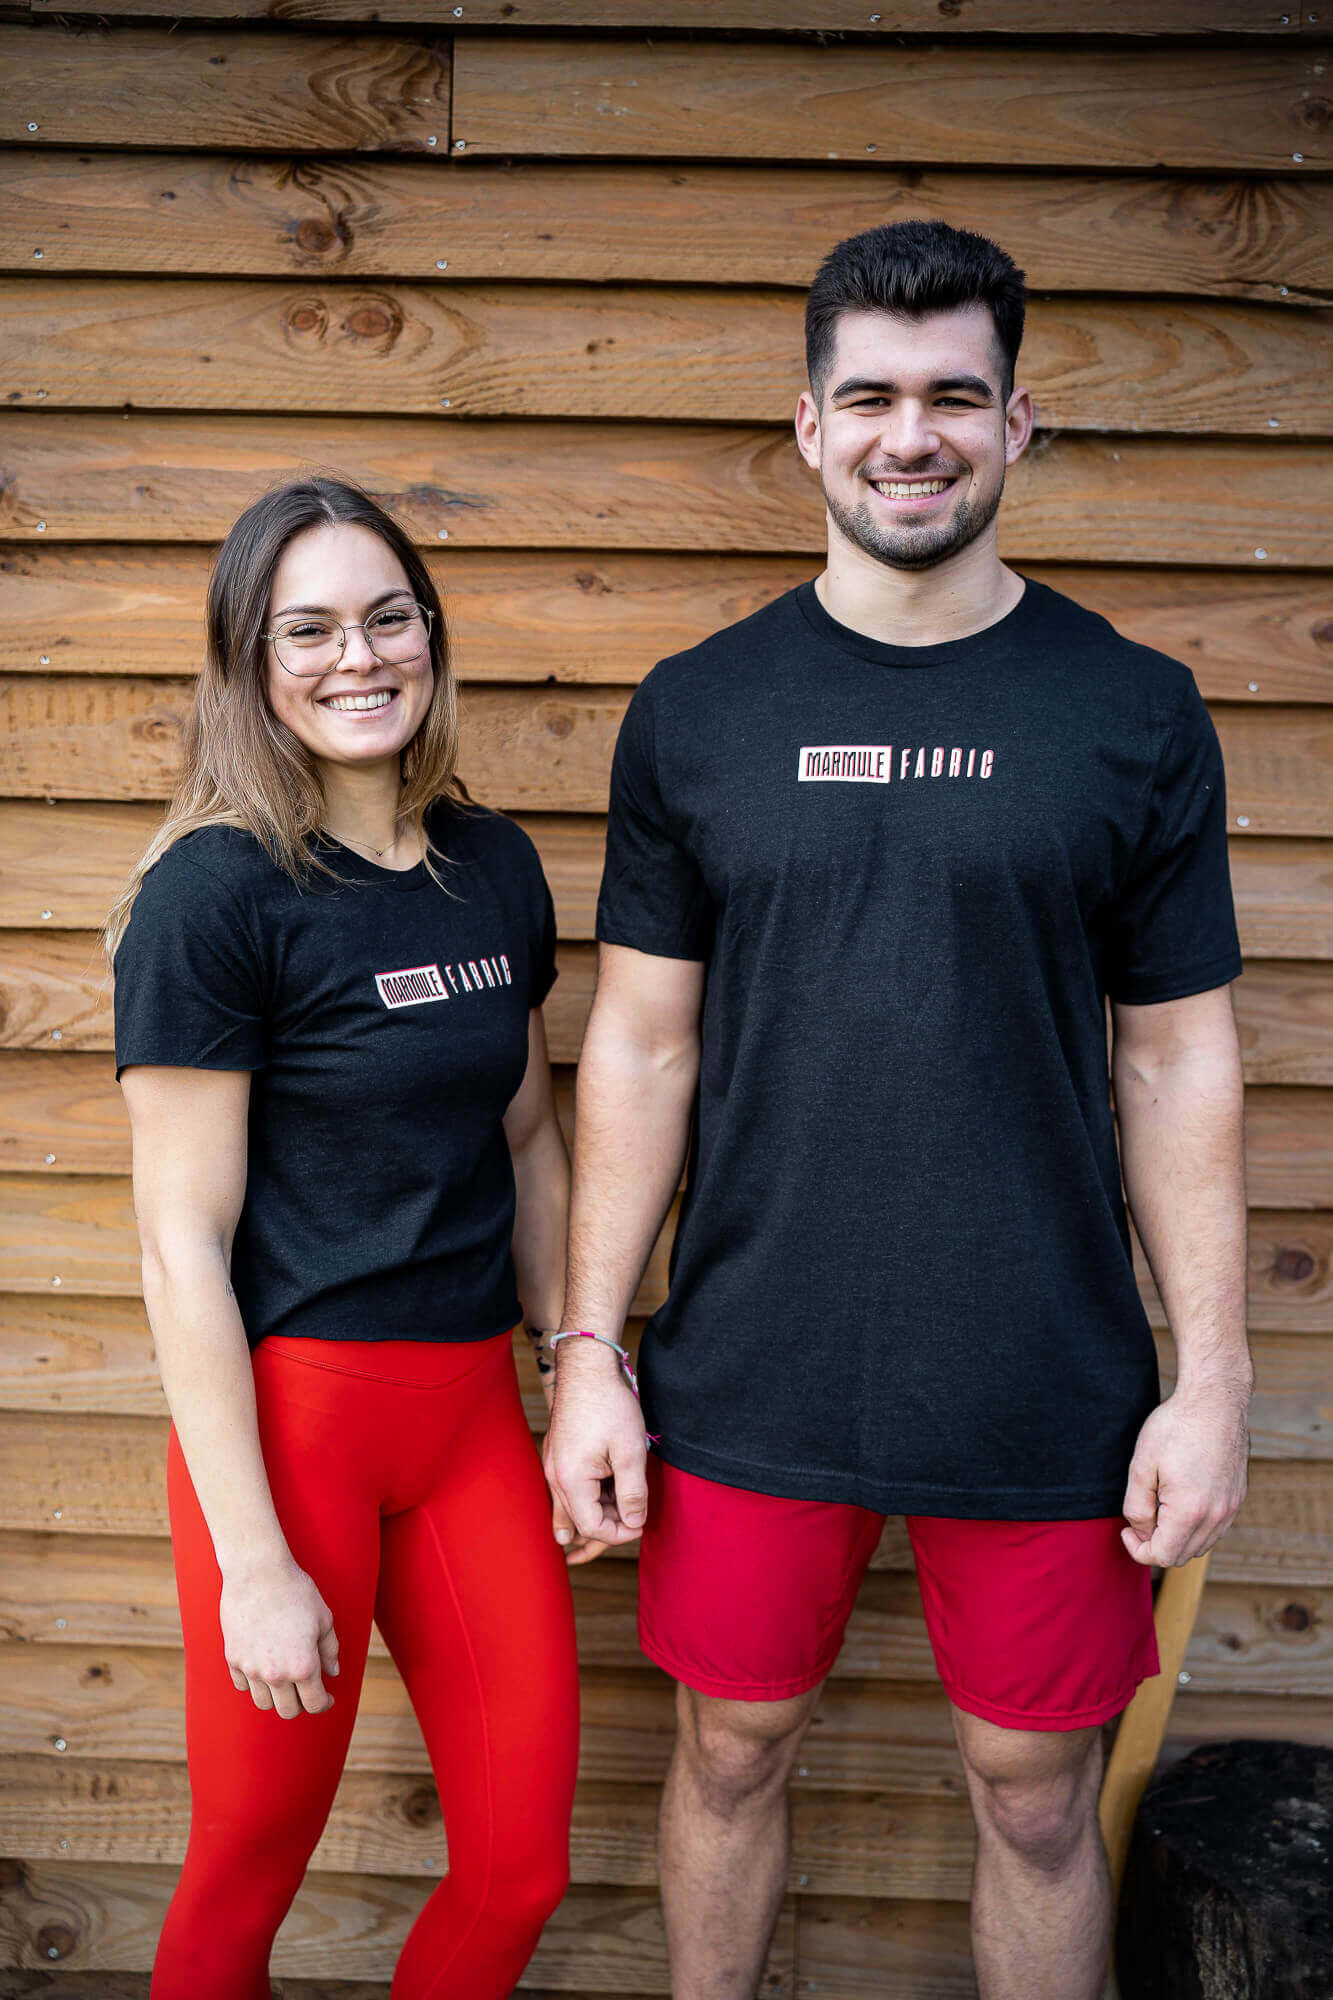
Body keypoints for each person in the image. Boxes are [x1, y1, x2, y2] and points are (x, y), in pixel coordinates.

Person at [544, 221, 1251, 2000]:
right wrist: (587, 1349)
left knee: (1033, 1796)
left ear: (1018, 422)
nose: (908, 435)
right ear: (807, 424)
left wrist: (1213, 1379)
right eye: (867, 397)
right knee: (728, 1750)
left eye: (951, 394)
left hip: (1040, 1362)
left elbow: (1174, 1057)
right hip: (751, 1356)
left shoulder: (1130, 712)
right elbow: (639, 1045)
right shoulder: (698, 712)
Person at [108, 476, 586, 2000]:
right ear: (248, 662)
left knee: (517, 1871)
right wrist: (252, 1561)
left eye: (386, 618)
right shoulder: (212, 898)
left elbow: (528, 1140)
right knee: (248, 1870)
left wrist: (580, 1366)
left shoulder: (489, 868)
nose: (356, 657)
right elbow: (181, 1248)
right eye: (305, 630)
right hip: (293, 1431)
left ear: (429, 634)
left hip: (467, 1421)